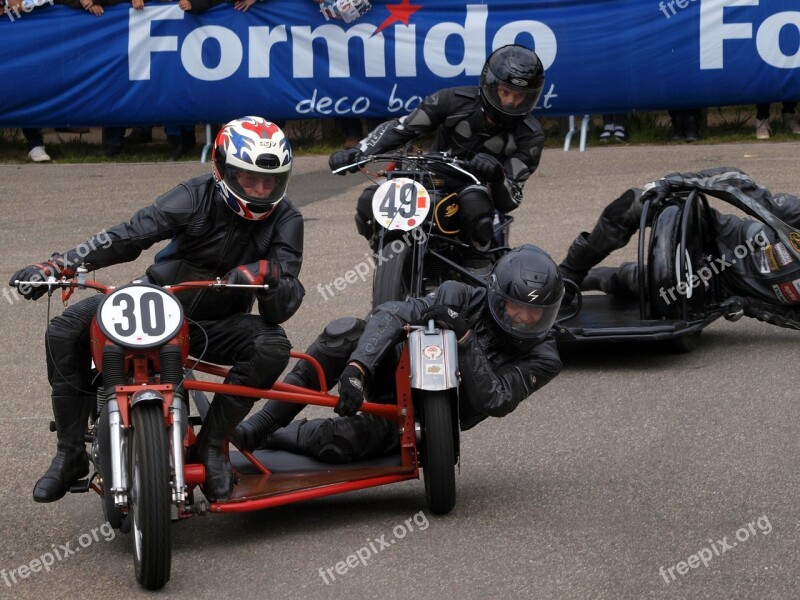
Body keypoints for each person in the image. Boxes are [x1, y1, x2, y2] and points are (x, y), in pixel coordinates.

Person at [9, 116, 304, 502]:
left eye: (271, 181)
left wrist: (270, 278)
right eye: (250, 179)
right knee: (64, 330)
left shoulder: (287, 218)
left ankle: (213, 446)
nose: (261, 189)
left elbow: (283, 305)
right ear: (223, 170)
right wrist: (61, 264)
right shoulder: (194, 195)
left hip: (217, 325)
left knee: (272, 346)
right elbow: (129, 235)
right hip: (156, 301)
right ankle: (70, 453)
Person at [232, 245, 563, 462]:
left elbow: (496, 400)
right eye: (516, 306)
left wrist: (464, 338)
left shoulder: (544, 358)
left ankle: (274, 436)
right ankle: (261, 424)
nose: (522, 318)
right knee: (345, 333)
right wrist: (357, 369)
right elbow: (392, 312)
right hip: (394, 370)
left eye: (534, 313)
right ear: (497, 295)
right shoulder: (460, 295)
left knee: (338, 442)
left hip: (422, 422)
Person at [329, 45, 546, 270]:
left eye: (519, 96)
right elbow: (403, 127)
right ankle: (386, 251)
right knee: (371, 199)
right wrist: (359, 152)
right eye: (505, 92)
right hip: (432, 176)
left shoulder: (530, 135)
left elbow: (510, 198)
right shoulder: (452, 100)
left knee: (475, 206)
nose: (510, 102)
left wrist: (497, 174)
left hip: (481, 189)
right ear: (491, 84)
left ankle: (479, 267)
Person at [557, 167, 800, 329]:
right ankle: (566, 275)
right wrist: (675, 181)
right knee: (632, 204)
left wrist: (747, 305)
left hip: (720, 287)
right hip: (718, 236)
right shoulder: (796, 213)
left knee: (639, 282)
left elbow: (792, 318)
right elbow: (738, 184)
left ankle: (585, 282)